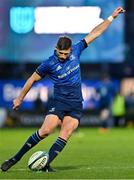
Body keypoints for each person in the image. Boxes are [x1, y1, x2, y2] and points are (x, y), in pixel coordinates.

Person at [1, 7, 125, 172]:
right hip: (59, 102)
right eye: (60, 53)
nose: (63, 56)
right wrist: (20, 98)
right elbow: (32, 79)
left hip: (76, 104)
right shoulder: (49, 63)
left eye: (66, 54)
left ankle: (45, 164)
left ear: (71, 50)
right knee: (45, 131)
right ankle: (15, 158)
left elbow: (95, 33)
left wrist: (111, 17)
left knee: (66, 133)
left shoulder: (77, 50)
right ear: (56, 49)